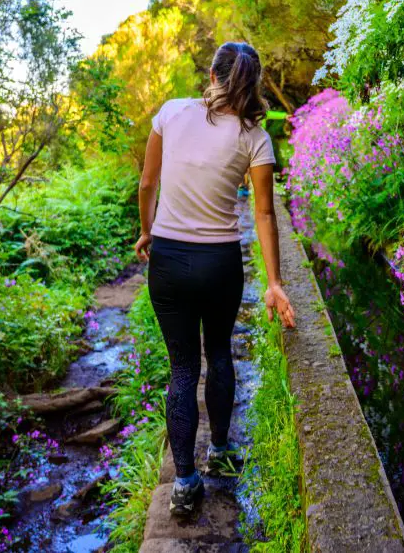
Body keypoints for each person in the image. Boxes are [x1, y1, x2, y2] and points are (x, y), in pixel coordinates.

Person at [134, 42, 296, 517]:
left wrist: (147, 232)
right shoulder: (254, 137)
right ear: (254, 83)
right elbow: (263, 213)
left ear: (212, 73)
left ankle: (183, 485)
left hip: (167, 259)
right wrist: (275, 282)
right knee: (219, 353)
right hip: (219, 263)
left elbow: (147, 183)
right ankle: (220, 451)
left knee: (182, 368)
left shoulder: (170, 113)